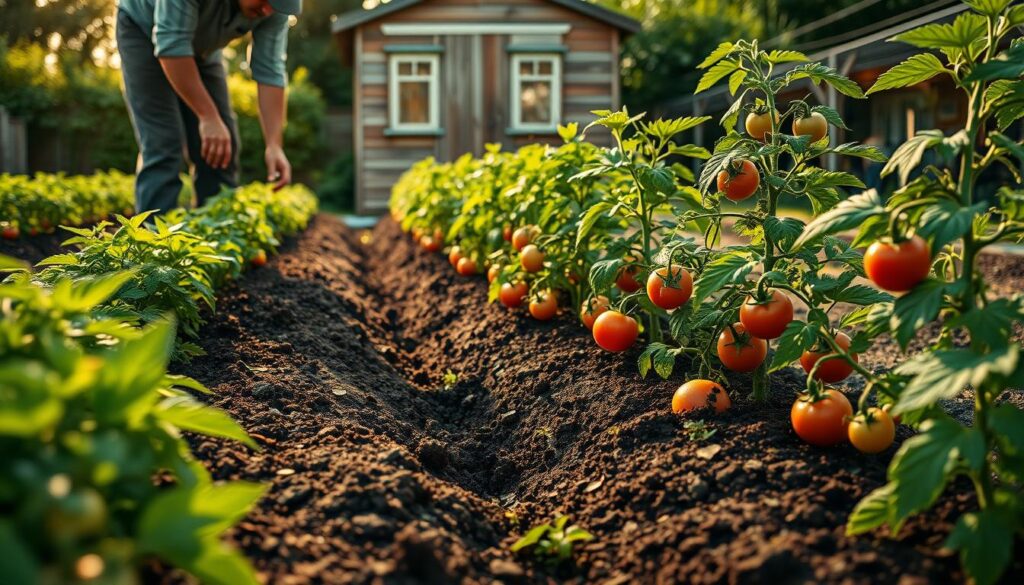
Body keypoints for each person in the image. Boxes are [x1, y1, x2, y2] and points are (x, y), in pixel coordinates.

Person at [115, 0, 302, 216]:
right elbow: (172, 45)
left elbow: (270, 71)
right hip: (142, 30)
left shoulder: (274, 10)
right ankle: (152, 233)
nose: (267, 10)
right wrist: (208, 116)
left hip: (201, 48)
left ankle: (215, 228)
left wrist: (274, 145)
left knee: (222, 148)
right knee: (164, 144)